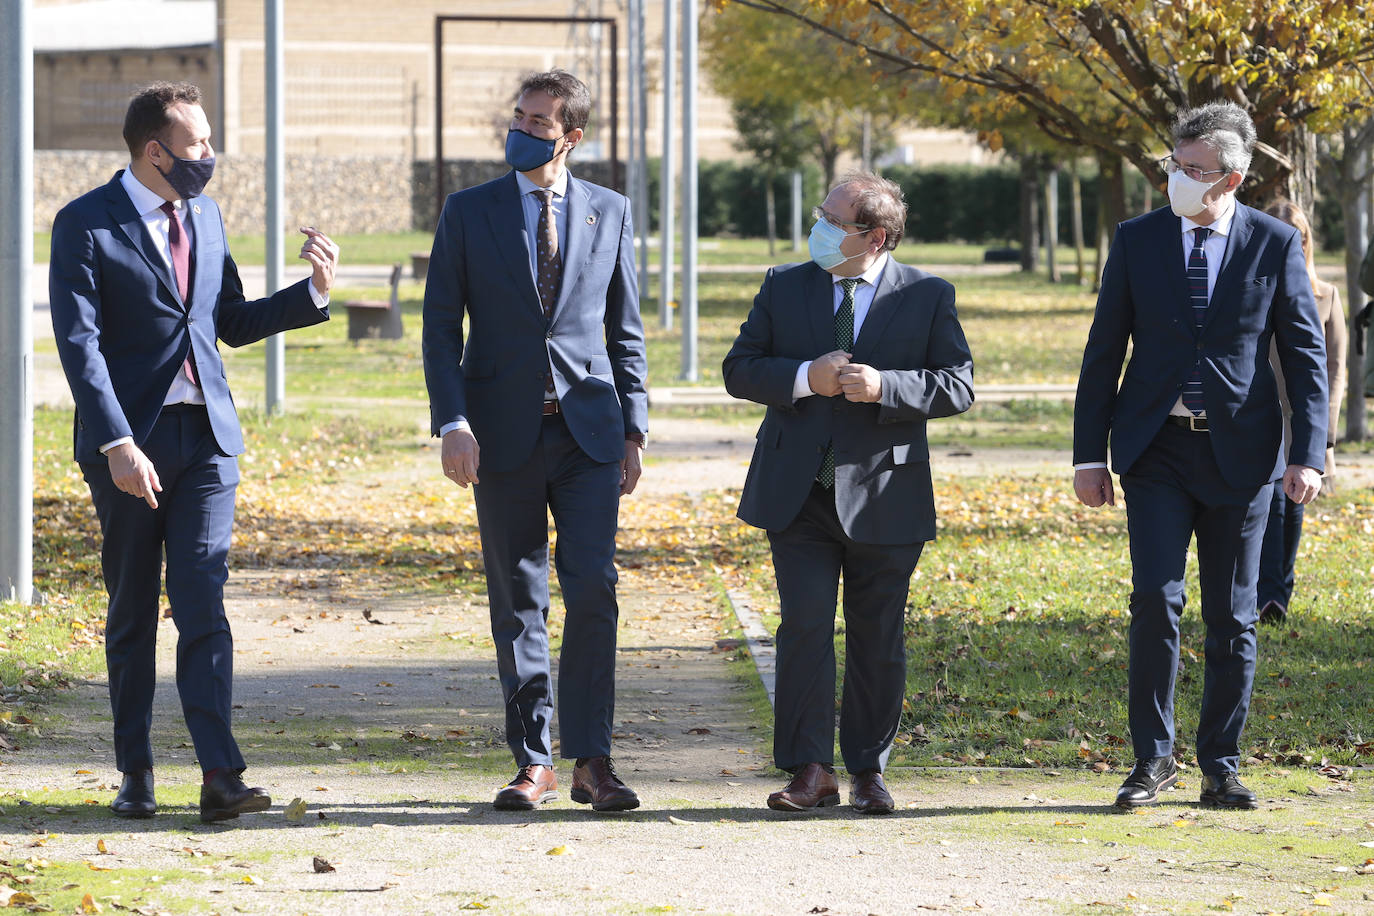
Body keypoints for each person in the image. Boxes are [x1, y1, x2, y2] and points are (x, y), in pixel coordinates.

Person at [48, 82, 339, 822]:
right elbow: (79, 347)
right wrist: (116, 442)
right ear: (156, 151)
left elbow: (229, 322)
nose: (210, 155)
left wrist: (310, 294)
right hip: (128, 445)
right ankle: (136, 770)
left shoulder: (205, 215)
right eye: (199, 143)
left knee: (203, 600)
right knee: (134, 608)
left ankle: (219, 776)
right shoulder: (84, 224)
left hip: (207, 437)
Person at [1073, 102, 1327, 810]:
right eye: (1173, 167)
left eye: (1193, 171)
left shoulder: (1274, 245)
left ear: (1233, 177)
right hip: (1154, 449)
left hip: (1242, 457)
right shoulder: (1138, 239)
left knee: (1233, 615)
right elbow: (1103, 351)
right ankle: (1153, 760)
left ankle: (1220, 761)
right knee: (1156, 598)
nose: (1176, 181)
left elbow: (1304, 357)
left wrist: (1308, 454)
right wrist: (1087, 455)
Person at [422, 69, 648, 812]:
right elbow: (439, 330)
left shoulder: (609, 212)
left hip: (589, 435)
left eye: (538, 121)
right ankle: (535, 761)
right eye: (518, 115)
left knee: (594, 593)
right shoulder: (468, 210)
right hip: (500, 438)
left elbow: (625, 330)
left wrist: (635, 428)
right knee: (518, 601)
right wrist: (453, 423)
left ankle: (593, 761)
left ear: (571, 136)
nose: (520, 129)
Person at [723, 172, 974, 814]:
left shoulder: (926, 294)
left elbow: (957, 385)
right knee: (804, 627)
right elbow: (740, 369)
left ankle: (867, 769)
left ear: (877, 236)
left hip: (887, 493)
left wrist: (887, 387)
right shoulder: (785, 285)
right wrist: (806, 377)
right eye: (822, 215)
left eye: (835, 221)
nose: (821, 228)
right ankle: (811, 770)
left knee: (877, 635)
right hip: (799, 493)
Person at [1256, 200, 1346, 625]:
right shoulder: (1252, 290)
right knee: (1269, 503)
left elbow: (1335, 368)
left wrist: (1324, 434)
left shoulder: (1326, 295)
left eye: (1300, 236)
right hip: (1258, 416)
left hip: (1303, 420)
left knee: (1294, 507)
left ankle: (1281, 591)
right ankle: (1267, 596)